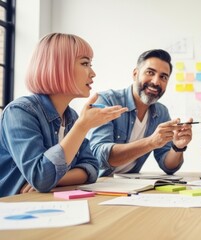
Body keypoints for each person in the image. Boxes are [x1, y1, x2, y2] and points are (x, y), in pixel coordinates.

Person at [0, 33, 127, 197]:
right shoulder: (19, 112)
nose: (93, 73)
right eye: (85, 63)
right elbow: (41, 177)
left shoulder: (71, 116)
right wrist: (82, 126)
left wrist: (56, 179)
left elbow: (92, 167)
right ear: (59, 67)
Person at [88, 49, 193, 177]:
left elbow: (168, 166)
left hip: (129, 185)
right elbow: (100, 157)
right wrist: (150, 142)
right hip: (98, 183)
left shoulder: (161, 112)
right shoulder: (107, 101)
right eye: (150, 72)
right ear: (135, 74)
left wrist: (178, 147)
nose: (156, 82)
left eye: (163, 77)